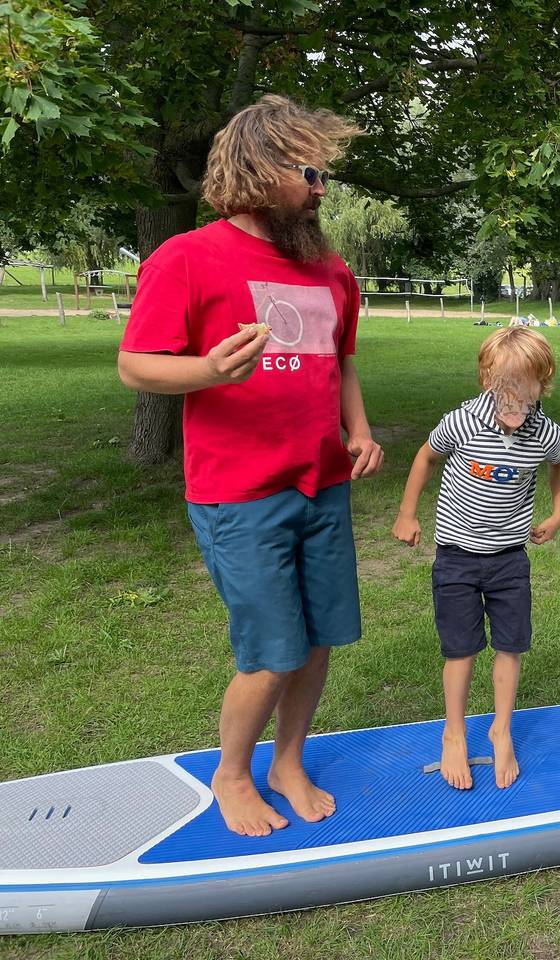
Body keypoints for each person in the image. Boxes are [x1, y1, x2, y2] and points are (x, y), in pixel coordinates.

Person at [117, 95, 383, 836]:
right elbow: (137, 367)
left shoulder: (330, 270)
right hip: (239, 497)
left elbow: (342, 362)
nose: (322, 188)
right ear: (262, 171)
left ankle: (287, 761)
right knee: (273, 651)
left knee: (321, 637)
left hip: (322, 485)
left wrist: (357, 431)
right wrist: (208, 371)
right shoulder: (187, 259)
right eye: (310, 172)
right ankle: (232, 775)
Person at [392, 327, 560, 790]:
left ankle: (501, 730)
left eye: (523, 391)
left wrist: (558, 511)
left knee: (511, 645)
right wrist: (408, 512)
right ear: (487, 380)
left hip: (510, 559)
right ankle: (454, 733)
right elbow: (426, 457)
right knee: (461, 650)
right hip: (457, 557)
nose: (513, 403)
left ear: (541, 384)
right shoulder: (463, 422)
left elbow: (559, 463)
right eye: (503, 391)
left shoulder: (545, 432)